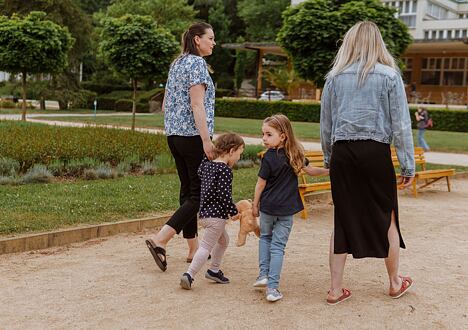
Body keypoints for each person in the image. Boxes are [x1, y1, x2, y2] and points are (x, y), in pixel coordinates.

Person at [320, 21, 415, 305]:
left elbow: (326, 124)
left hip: (343, 154)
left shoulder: (334, 78)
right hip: (375, 152)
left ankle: (335, 290)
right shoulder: (389, 76)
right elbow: (401, 124)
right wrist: (407, 164)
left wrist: (329, 157)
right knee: (387, 215)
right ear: (378, 43)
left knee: (342, 217)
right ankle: (395, 283)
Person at [146, 22, 217, 272]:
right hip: (193, 138)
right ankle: (160, 239)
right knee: (198, 194)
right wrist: (207, 141)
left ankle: (192, 248)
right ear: (197, 39)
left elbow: (166, 104)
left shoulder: (176, 63)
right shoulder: (197, 64)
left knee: (188, 191)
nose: (213, 42)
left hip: (174, 136)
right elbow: (198, 105)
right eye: (210, 38)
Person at [252, 114, 329, 302]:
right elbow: (311, 171)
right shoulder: (295, 155)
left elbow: (260, 184)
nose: (264, 138)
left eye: (268, 134)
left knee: (265, 239)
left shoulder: (268, 158)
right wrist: (328, 171)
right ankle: (272, 288)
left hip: (268, 208)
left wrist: (255, 204)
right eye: (263, 134)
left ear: (283, 136)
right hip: (286, 210)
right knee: (278, 247)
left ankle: (263, 274)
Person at [180, 133, 245, 290]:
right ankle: (189, 274)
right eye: (239, 154)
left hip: (204, 215)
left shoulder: (207, 166)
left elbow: (200, 171)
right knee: (205, 247)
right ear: (231, 151)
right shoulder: (225, 170)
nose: (238, 158)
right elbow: (224, 195)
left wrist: (205, 156)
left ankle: (214, 270)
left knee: (223, 241)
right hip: (217, 217)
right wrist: (233, 211)